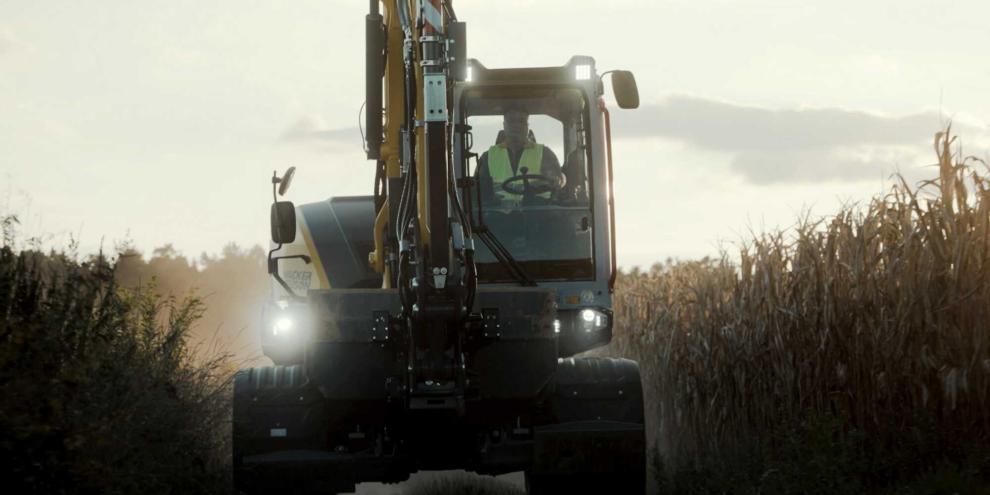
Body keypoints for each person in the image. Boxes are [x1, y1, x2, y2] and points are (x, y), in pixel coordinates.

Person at [476, 107, 564, 204]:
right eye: (511, 121)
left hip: (538, 211)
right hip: (498, 212)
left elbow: (558, 185)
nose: (516, 125)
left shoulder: (545, 154)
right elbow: (478, 193)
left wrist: (557, 181)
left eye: (521, 121)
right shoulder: (488, 157)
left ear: (527, 125)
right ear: (504, 125)